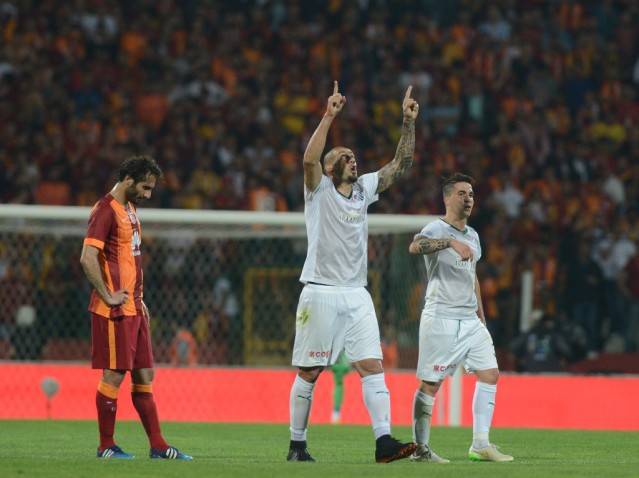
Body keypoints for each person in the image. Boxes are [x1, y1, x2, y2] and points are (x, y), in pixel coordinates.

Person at [287, 81, 419, 463]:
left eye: (354, 156)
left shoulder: (363, 189)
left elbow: (400, 166)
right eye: (345, 157)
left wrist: (408, 123)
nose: (353, 159)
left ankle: (383, 442)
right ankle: (297, 444)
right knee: (310, 370)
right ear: (330, 168)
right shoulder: (319, 190)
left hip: (357, 293)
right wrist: (329, 116)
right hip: (320, 290)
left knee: (372, 366)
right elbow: (308, 160)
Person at [80, 156, 192, 460]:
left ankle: (158, 446)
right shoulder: (105, 210)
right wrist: (107, 295)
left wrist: (139, 299)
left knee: (144, 375)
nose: (148, 194)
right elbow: (87, 258)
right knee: (114, 375)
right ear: (128, 179)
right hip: (114, 310)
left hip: (134, 307)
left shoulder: (129, 208)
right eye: (145, 187)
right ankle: (106, 446)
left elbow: (128, 259)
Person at [408, 173, 513, 463]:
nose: (468, 199)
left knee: (490, 374)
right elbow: (415, 247)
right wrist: (449, 243)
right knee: (431, 384)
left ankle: (480, 444)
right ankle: (420, 449)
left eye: (471, 194)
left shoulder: (474, 235)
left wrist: (481, 316)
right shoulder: (435, 228)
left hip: (469, 318)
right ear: (447, 198)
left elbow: (472, 276)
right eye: (462, 193)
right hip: (441, 315)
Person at [330, 351, 351, 424]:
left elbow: (331, 365)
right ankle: (335, 419)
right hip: (340, 387)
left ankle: (335, 419)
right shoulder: (342, 368)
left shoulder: (335, 368)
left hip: (337, 387)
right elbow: (347, 367)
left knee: (337, 403)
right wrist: (343, 356)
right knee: (338, 403)